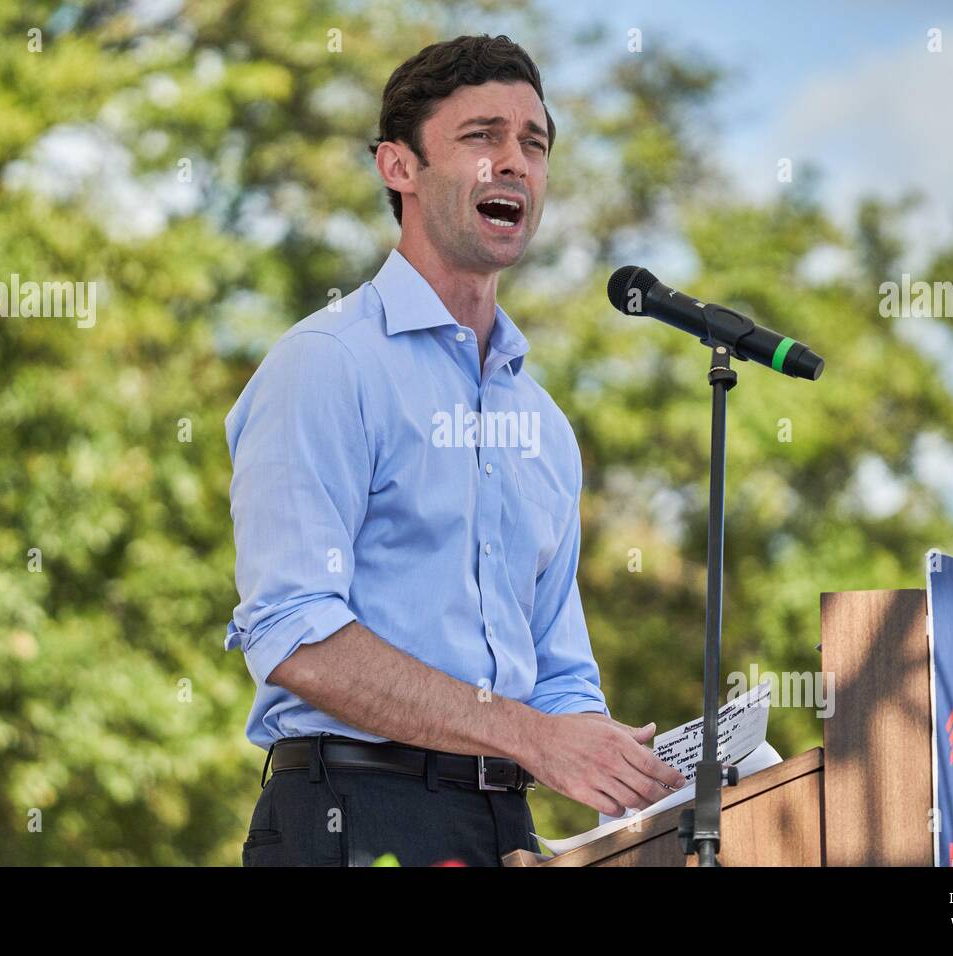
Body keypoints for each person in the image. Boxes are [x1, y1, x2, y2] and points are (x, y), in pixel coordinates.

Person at [225, 33, 687, 867]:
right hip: (351, 818)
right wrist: (530, 735)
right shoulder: (328, 364)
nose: (515, 161)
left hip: (505, 833)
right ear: (398, 167)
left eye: (534, 144)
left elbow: (560, 677)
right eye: (483, 137)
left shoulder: (543, 423)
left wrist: (627, 761)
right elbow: (294, 632)